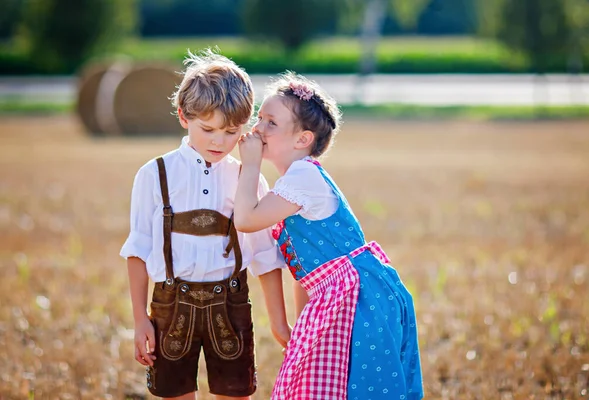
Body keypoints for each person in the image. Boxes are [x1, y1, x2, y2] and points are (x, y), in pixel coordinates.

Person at [234, 72, 424, 400]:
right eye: (259, 118)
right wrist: (301, 321)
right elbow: (307, 275)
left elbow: (247, 219)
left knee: (357, 387)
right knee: (320, 384)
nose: (258, 129)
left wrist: (249, 165)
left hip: (360, 298)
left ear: (302, 139)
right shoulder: (296, 179)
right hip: (341, 294)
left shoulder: (304, 176)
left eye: (271, 123)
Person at [119, 49, 289, 400]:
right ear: (183, 116)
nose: (219, 141)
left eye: (231, 132)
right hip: (169, 305)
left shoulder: (249, 177)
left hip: (230, 303)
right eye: (207, 129)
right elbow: (138, 250)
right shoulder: (155, 175)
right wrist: (140, 319)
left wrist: (279, 322)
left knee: (236, 394)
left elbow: (265, 258)